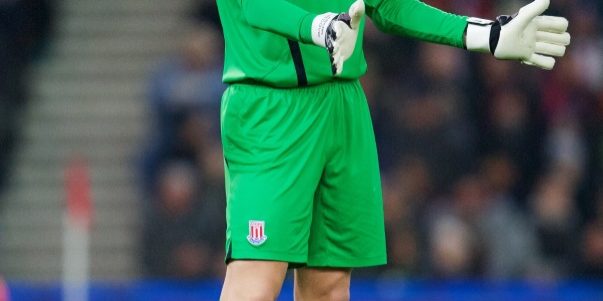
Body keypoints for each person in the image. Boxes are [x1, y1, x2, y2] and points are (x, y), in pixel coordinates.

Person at [215, 0, 570, 299]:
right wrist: (317, 27)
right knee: (256, 281)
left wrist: (482, 34)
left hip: (343, 101)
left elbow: (385, 3)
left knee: (330, 286)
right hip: (271, 105)